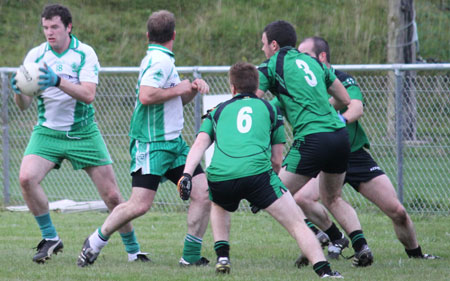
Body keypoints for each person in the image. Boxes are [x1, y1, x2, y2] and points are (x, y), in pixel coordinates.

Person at [9, 4, 148, 264]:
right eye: (45, 27)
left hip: (83, 133)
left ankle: (133, 251)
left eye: (55, 27)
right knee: (26, 178)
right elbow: (23, 106)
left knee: (113, 196)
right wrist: (19, 91)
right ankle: (51, 238)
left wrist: (57, 81)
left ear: (68, 27)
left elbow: (88, 95)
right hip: (47, 132)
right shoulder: (36, 56)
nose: (49, 32)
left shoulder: (84, 54)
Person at [178, 61, 342, 278]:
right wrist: (269, 187)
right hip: (258, 175)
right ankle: (325, 271)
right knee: (296, 223)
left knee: (219, 202)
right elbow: (276, 159)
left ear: (232, 88)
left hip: (221, 175)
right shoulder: (270, 109)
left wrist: (187, 174)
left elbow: (199, 144)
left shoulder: (217, 110)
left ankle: (223, 256)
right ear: (257, 87)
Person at [76, 10, 211, 267]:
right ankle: (94, 242)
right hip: (152, 145)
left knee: (203, 193)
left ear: (147, 35)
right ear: (174, 35)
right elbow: (147, 96)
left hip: (174, 144)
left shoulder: (162, 59)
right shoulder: (159, 61)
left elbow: (175, 99)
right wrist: (179, 87)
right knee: (139, 205)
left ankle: (190, 258)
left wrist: (190, 89)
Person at [294, 36, 439, 262]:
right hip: (327, 157)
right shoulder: (304, 85)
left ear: (322, 57)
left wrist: (337, 123)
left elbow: (356, 108)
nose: (300, 61)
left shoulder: (341, 80)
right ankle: (335, 237)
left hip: (354, 155)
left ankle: (417, 256)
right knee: (301, 198)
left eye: (305, 55)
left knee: (397, 212)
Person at [256, 20, 374, 267]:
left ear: (274, 45)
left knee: (273, 193)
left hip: (312, 138)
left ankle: (323, 235)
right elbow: (343, 99)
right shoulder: (314, 63)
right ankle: (361, 246)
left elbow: (250, 101)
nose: (263, 49)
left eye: (264, 44)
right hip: (339, 135)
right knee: (333, 197)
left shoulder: (270, 66)